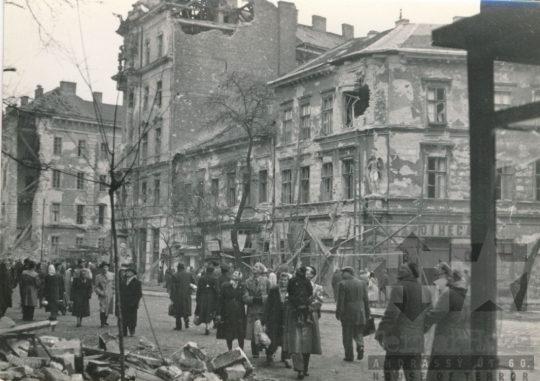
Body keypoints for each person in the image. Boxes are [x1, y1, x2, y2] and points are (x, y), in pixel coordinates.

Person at [375, 263, 432, 381]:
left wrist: (381, 332)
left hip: (398, 340)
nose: (399, 270)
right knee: (414, 374)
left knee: (391, 372)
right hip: (416, 341)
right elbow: (429, 317)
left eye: (403, 268)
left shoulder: (399, 288)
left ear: (410, 272)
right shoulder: (426, 290)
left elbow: (392, 314)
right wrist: (420, 330)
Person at [424, 268, 471, 381]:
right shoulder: (467, 296)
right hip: (465, 341)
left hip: (447, 340)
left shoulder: (449, 294)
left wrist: (419, 327)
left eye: (450, 276)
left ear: (453, 278)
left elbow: (435, 315)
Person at [283, 265, 323, 380]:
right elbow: (287, 297)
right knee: (296, 343)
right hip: (294, 316)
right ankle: (299, 369)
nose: (305, 272)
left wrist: (306, 308)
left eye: (309, 271)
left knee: (307, 344)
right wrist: (295, 307)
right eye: (304, 270)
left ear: (312, 275)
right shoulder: (293, 283)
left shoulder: (317, 288)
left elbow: (319, 301)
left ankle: (304, 368)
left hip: (309, 316)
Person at [336, 266, 370, 362]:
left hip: (348, 312)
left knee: (347, 335)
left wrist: (338, 313)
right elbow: (366, 300)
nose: (342, 274)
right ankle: (360, 346)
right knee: (359, 331)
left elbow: (340, 301)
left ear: (349, 273)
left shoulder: (342, 284)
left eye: (344, 272)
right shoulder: (362, 283)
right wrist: (367, 312)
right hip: (360, 311)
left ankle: (349, 356)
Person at [262, 272, 292, 368]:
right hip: (274, 317)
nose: (283, 282)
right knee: (273, 336)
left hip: (286, 317)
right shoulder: (274, 290)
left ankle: (286, 358)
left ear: (288, 281)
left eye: (285, 280)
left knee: (286, 337)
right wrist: (265, 319)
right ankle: (269, 356)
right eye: (281, 280)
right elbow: (268, 305)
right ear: (278, 280)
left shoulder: (291, 291)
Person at [243, 262, 270, 359]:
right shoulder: (247, 282)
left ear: (261, 270)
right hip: (252, 311)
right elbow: (245, 298)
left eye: (257, 267)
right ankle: (255, 353)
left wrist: (261, 298)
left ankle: (267, 351)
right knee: (252, 333)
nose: (254, 268)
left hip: (263, 311)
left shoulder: (266, 281)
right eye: (253, 266)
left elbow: (270, 296)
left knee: (263, 331)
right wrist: (256, 299)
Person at [216, 270, 246, 350]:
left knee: (240, 332)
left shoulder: (242, 286)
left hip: (239, 311)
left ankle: (241, 350)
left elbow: (244, 297)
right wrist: (219, 313)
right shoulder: (225, 286)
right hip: (228, 311)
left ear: (240, 277)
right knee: (229, 332)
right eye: (234, 273)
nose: (234, 274)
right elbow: (220, 300)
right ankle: (230, 350)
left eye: (237, 273)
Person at [170, 263, 197, 330]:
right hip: (187, 294)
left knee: (178, 311)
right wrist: (190, 288)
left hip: (177, 295)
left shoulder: (175, 275)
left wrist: (172, 297)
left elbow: (173, 288)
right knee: (186, 309)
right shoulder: (189, 274)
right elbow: (194, 283)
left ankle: (178, 326)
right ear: (184, 267)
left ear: (178, 268)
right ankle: (186, 321)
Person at [195, 266, 220, 335]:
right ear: (213, 271)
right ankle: (208, 327)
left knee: (204, 311)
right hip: (211, 298)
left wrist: (197, 298)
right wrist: (217, 297)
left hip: (202, 297)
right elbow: (217, 290)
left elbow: (198, 289)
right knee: (209, 311)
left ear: (206, 270)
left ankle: (207, 326)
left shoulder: (201, 278)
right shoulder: (215, 279)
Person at [120, 267, 143, 336]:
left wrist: (134, 303)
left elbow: (139, 294)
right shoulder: (123, 282)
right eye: (126, 271)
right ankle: (124, 332)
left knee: (132, 318)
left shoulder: (137, 283)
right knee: (123, 317)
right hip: (123, 303)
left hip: (132, 304)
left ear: (133, 273)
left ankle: (132, 331)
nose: (127, 273)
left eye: (129, 271)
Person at [95, 262, 114, 328]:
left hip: (110, 293)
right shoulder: (98, 276)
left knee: (108, 308)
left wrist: (113, 291)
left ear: (108, 268)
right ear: (101, 268)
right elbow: (96, 286)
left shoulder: (112, 275)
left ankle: (105, 320)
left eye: (106, 267)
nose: (105, 269)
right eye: (103, 267)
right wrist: (100, 292)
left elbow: (114, 285)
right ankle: (102, 322)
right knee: (102, 308)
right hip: (102, 294)